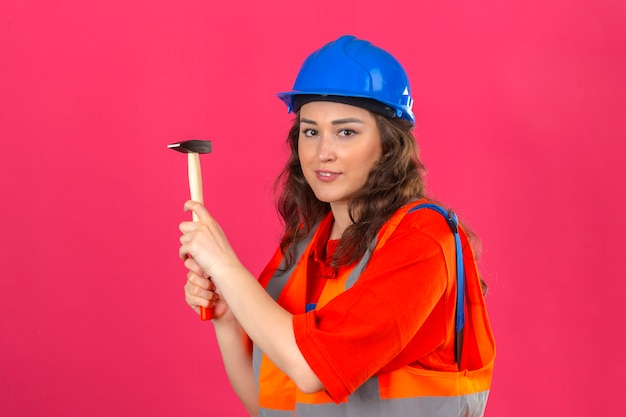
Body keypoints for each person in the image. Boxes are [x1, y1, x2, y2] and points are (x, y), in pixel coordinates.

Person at [178, 35, 495, 417]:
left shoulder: (422, 240)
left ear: (389, 145)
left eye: (346, 132)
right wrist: (229, 319)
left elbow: (311, 369)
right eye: (310, 131)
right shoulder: (303, 248)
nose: (321, 152)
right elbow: (269, 405)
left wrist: (227, 268)